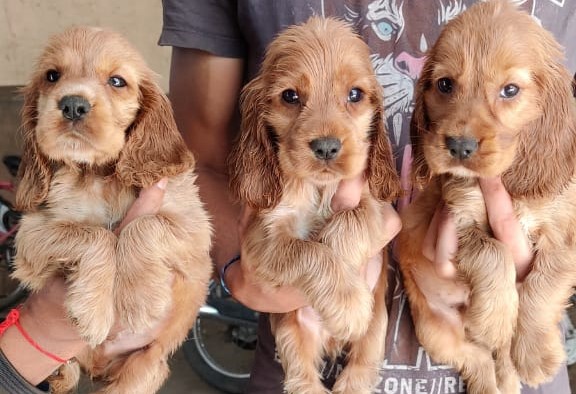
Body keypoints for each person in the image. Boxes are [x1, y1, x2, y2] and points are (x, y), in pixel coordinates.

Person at [159, 1, 576, 393]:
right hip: (296, 361)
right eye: (445, 86)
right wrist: (239, 270)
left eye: (508, 92)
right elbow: (199, 160)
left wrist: (538, 275)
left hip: (527, 365)